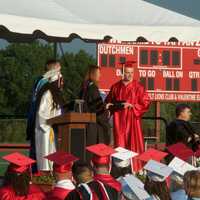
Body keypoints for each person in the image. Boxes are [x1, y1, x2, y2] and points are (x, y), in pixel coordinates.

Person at [105, 61, 150, 171]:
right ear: (122, 73)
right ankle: (119, 169)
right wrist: (110, 105)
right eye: (127, 72)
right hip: (118, 120)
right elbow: (108, 102)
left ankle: (136, 169)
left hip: (132, 120)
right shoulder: (115, 87)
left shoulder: (138, 87)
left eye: (131, 73)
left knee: (133, 144)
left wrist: (132, 106)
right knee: (120, 145)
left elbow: (146, 102)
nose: (129, 75)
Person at [27, 59, 61, 173]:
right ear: (53, 71)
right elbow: (42, 109)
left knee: (36, 154)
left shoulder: (39, 81)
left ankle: (35, 175)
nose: (60, 74)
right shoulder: (46, 84)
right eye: (59, 70)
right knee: (41, 154)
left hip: (35, 122)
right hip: (41, 124)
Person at [35, 68, 65, 172]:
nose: (62, 83)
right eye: (61, 80)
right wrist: (52, 121)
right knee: (46, 155)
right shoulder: (47, 94)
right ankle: (45, 176)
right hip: (46, 131)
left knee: (53, 154)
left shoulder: (55, 95)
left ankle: (53, 173)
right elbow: (41, 115)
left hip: (54, 130)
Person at [80, 65, 111, 148]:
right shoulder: (93, 88)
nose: (100, 75)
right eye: (98, 73)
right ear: (93, 74)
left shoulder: (84, 87)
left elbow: (91, 105)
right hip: (93, 127)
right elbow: (98, 110)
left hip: (84, 124)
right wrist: (107, 112)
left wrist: (104, 105)